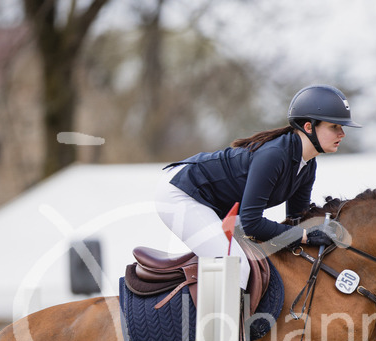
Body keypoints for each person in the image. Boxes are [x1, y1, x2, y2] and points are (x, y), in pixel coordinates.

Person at [155, 84, 361, 290]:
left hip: (216, 204)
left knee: (258, 261)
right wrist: (306, 235)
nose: (342, 133)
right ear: (308, 127)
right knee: (234, 266)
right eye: (334, 126)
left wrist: (324, 229)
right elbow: (252, 223)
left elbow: (297, 220)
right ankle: (211, 323)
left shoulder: (307, 164)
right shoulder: (274, 155)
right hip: (181, 192)